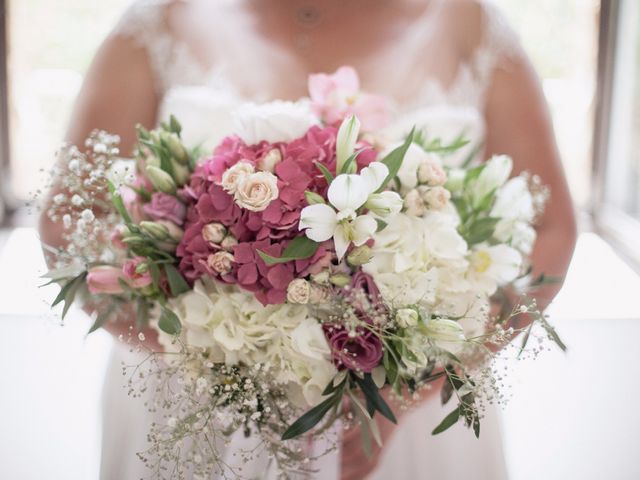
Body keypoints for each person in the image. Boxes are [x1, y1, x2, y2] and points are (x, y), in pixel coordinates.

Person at [39, 0, 577, 478]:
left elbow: (551, 230)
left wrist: (414, 385)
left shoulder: (470, 23)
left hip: (404, 418)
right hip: (192, 409)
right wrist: (209, 366)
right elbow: (66, 227)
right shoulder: (161, 19)